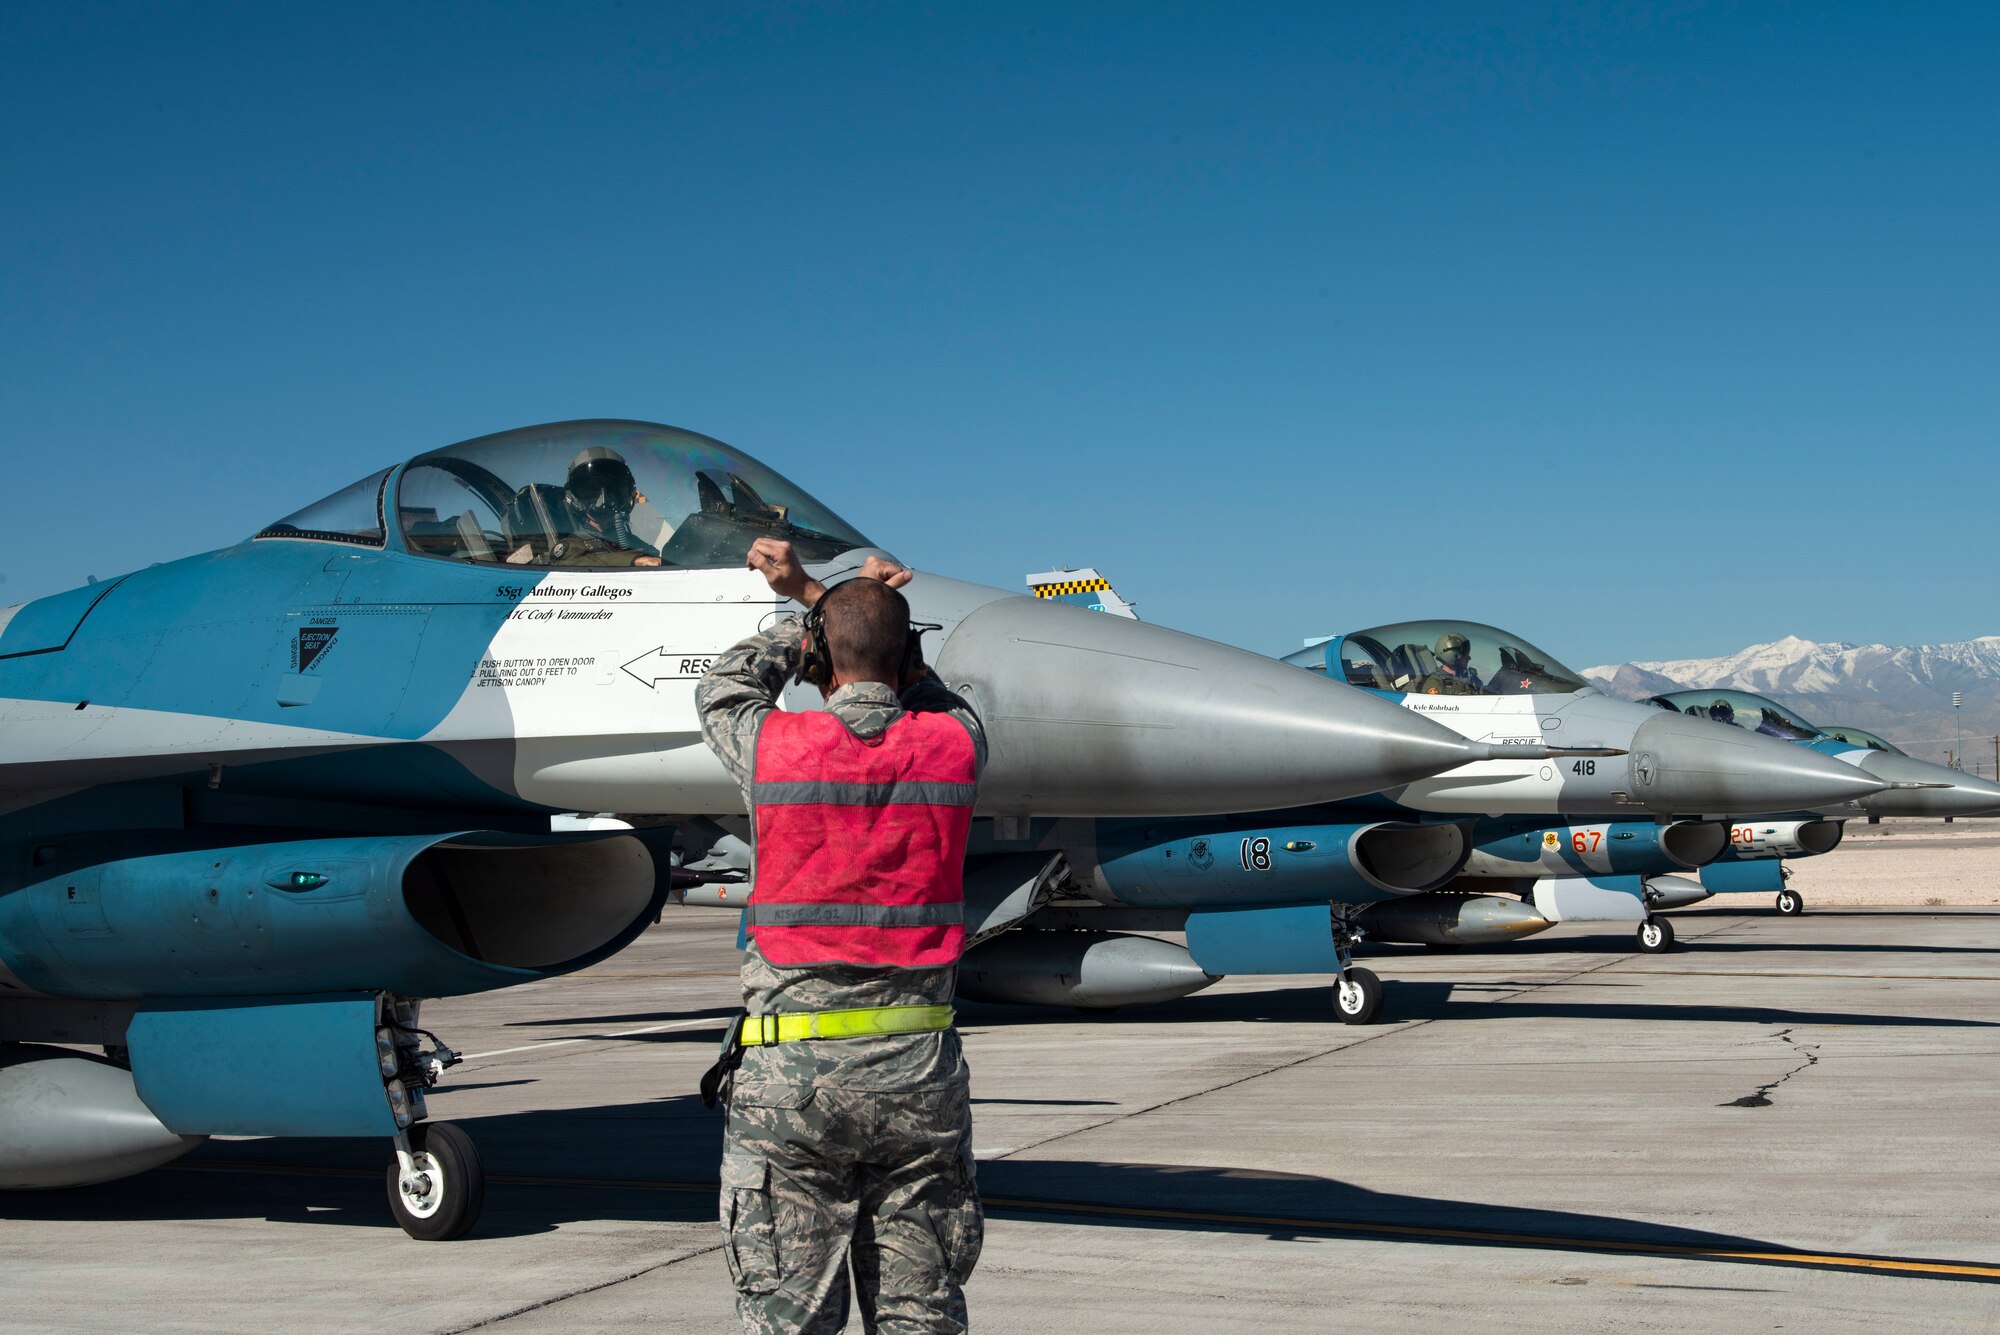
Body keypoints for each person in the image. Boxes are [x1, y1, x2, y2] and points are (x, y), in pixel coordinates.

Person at [696, 535, 986, 1334]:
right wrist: (861, 613)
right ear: (907, 657)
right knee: (919, 1316)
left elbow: (725, 687)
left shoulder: (775, 748)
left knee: (790, 1317)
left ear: (821, 656)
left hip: (792, 1080)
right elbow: (936, 696)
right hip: (917, 1078)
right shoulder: (954, 748)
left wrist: (807, 607)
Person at [545, 447, 665, 567]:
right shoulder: (571, 547)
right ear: (574, 497)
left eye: (613, 488)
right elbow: (569, 563)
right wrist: (635, 561)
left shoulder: (632, 542)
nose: (604, 496)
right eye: (591, 488)